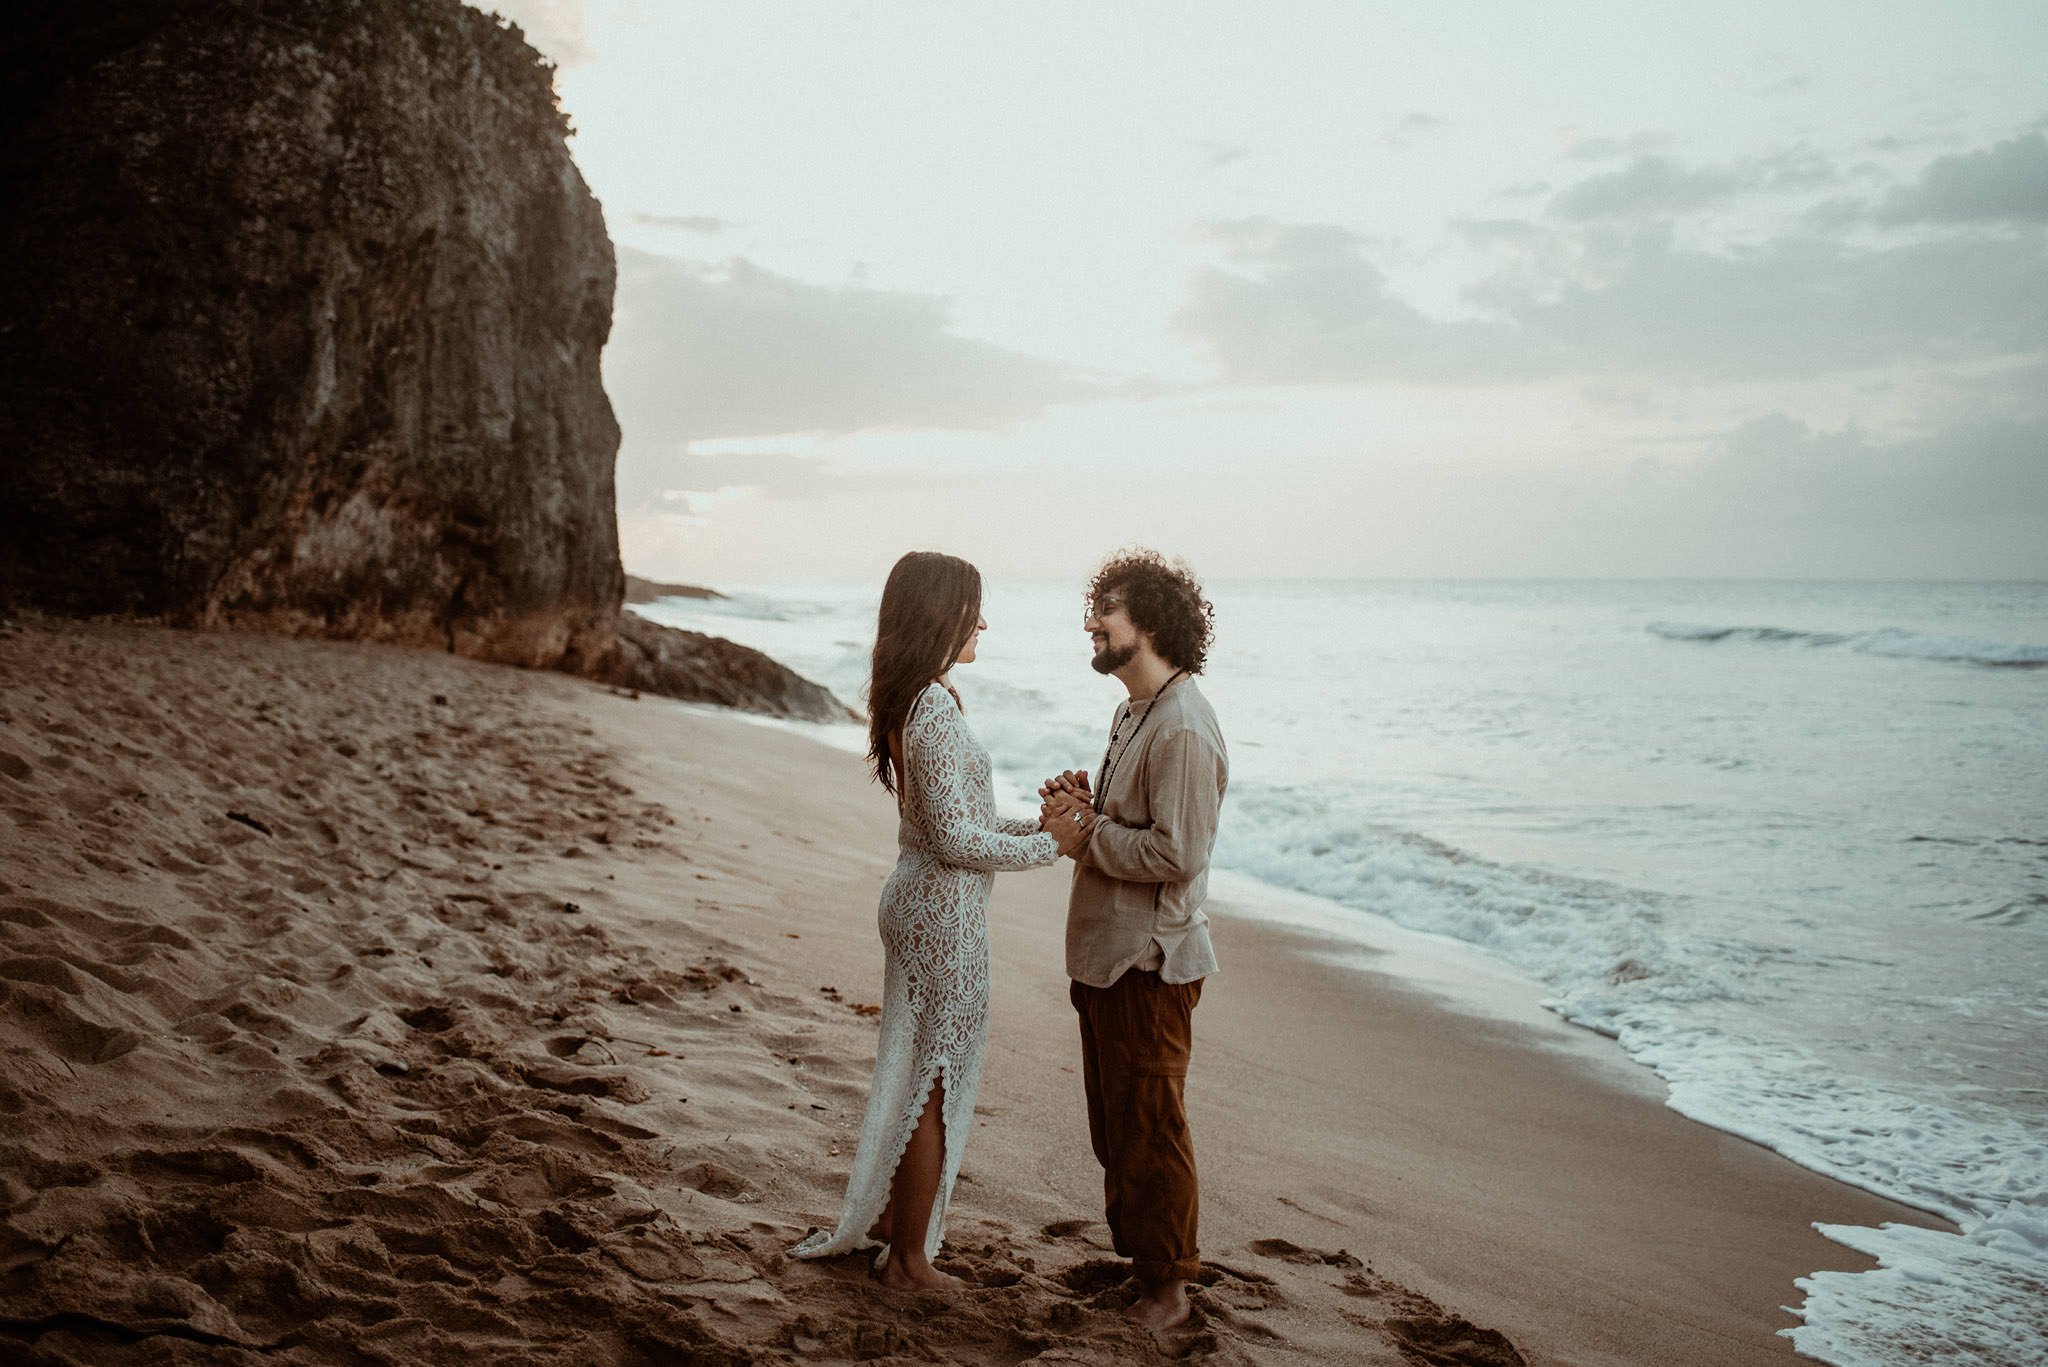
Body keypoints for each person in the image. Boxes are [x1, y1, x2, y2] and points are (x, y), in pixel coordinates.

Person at [792, 551, 1091, 1290]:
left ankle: (897, 1227)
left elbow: (964, 823)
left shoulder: (922, 698)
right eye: (973, 608)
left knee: (917, 1066)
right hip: (941, 914)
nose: (984, 621)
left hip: (920, 898)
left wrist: (1052, 824)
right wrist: (1055, 847)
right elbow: (959, 840)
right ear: (940, 614)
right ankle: (911, 1262)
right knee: (936, 1076)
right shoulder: (931, 706)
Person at [1039, 549, 1226, 1331]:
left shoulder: (1183, 725)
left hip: (1151, 963)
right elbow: (1130, 826)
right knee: (1118, 1126)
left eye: (1104, 612)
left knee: (1151, 1127)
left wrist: (1086, 835)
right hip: (1109, 957)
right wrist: (1086, 808)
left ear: (1146, 624)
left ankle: (1170, 1293)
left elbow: (1178, 854)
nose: (1090, 623)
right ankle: (1148, 1269)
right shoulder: (1133, 712)